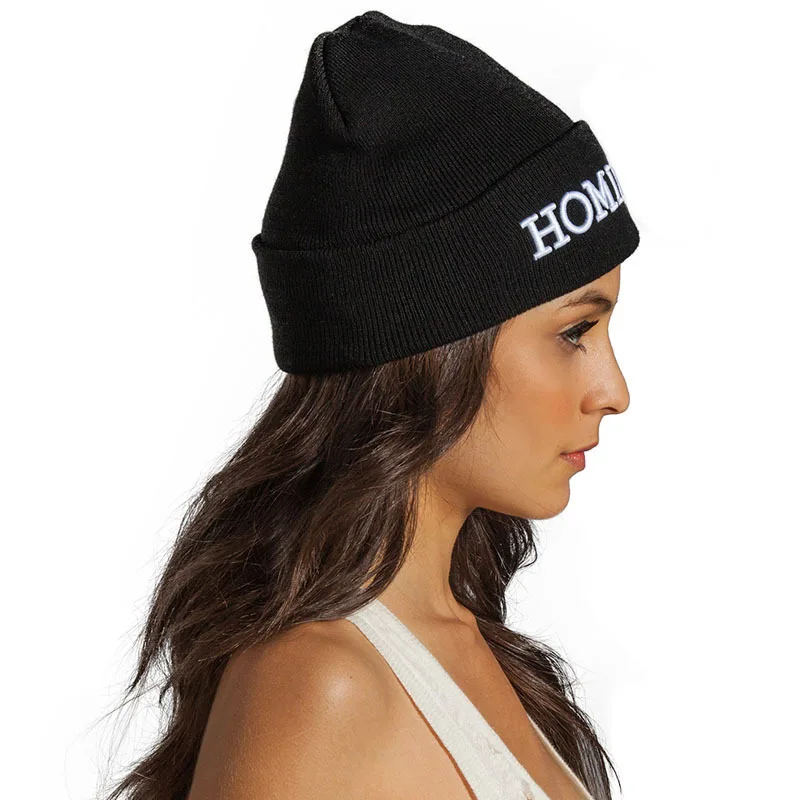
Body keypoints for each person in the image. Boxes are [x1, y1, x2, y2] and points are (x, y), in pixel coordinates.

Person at [100, 10, 640, 800]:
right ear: (432, 346)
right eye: (574, 332)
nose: (614, 392)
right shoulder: (322, 687)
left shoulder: (478, 656)